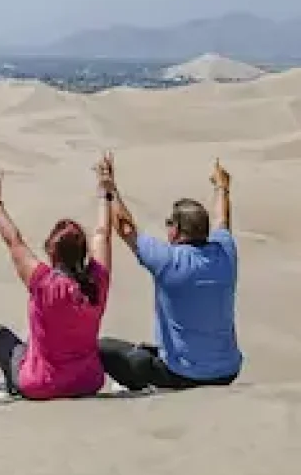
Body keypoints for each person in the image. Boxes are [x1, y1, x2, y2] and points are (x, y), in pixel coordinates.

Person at [98, 158, 243, 392]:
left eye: (168, 223)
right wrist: (221, 187)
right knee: (145, 350)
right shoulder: (225, 254)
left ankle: (142, 390)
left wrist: (110, 188)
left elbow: (125, 229)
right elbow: (222, 219)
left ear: (175, 230)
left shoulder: (168, 261)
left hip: (180, 375)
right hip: (227, 373)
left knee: (102, 348)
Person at [0, 157, 113, 401]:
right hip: (87, 381)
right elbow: (102, 234)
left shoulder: (44, 283)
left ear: (51, 253)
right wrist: (105, 192)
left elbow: (14, 242)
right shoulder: (97, 282)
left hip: (40, 384)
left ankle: (10, 384)